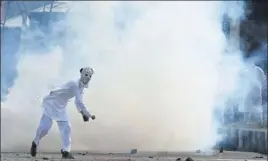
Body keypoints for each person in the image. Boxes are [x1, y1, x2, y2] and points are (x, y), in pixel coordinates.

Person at [30, 67, 96, 159]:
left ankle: (66, 151)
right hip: (52, 102)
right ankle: (35, 142)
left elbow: (79, 101)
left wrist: (84, 113)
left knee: (66, 127)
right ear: (82, 74)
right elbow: (78, 102)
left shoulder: (81, 86)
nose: (88, 77)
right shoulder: (75, 85)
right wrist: (85, 114)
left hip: (62, 105)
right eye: (86, 74)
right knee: (45, 127)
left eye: (90, 76)